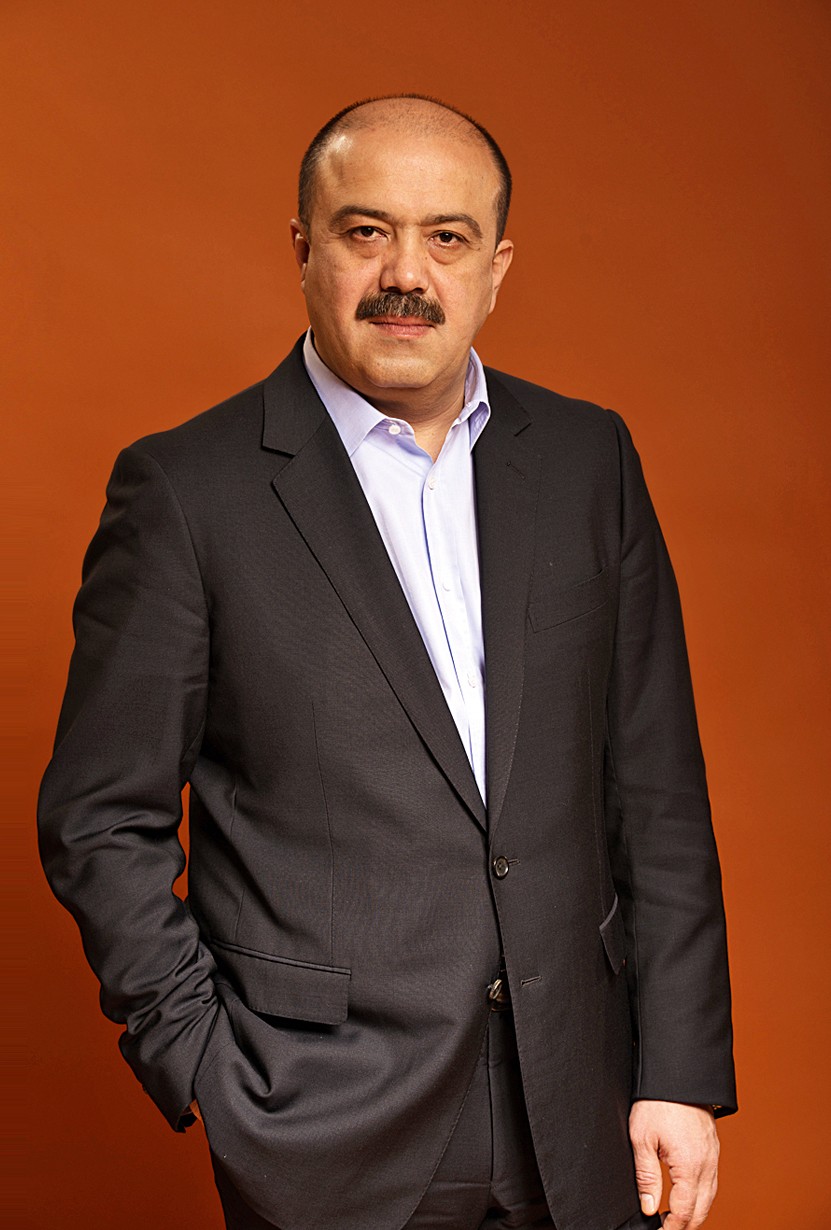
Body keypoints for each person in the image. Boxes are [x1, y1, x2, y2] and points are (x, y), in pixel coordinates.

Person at [38, 94, 737, 1230]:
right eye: (366, 231)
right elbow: (98, 815)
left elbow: (655, 789)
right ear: (302, 248)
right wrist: (206, 1062)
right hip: (323, 1123)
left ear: (496, 267)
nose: (405, 273)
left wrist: (679, 1069)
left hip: (584, 1101)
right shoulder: (186, 491)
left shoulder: (587, 460)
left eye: (446, 237)